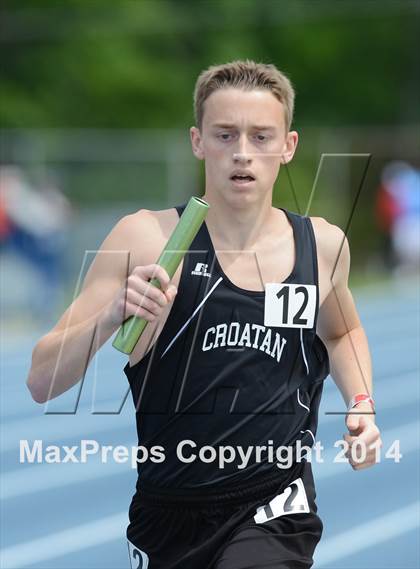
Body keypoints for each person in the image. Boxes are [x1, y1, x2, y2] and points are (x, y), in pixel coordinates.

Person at [27, 60, 382, 569]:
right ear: (197, 141)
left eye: (261, 136)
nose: (242, 153)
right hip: (168, 512)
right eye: (225, 134)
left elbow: (343, 330)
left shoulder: (322, 246)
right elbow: (41, 380)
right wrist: (111, 314)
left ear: (289, 146)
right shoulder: (146, 238)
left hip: (275, 504)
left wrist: (362, 405)